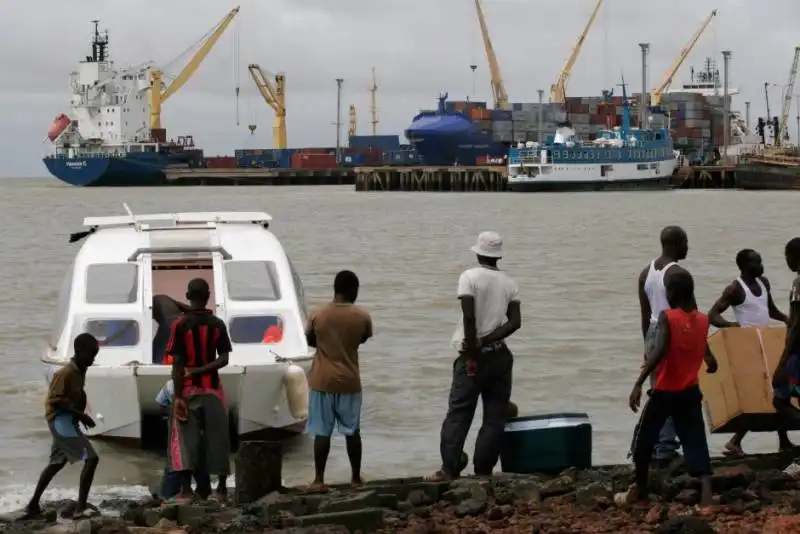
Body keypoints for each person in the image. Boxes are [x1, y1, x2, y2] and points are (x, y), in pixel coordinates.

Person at [430, 231, 522, 481]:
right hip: (500, 356)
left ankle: (449, 468)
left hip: (472, 356)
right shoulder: (509, 283)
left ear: (479, 253)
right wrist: (488, 340)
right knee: (494, 416)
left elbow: (469, 316)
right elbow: (515, 322)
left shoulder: (468, 277)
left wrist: (473, 349)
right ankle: (483, 471)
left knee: (459, 413)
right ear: (498, 256)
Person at [624, 270, 717, 506]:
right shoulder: (703, 319)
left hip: (665, 392)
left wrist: (639, 382)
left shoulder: (668, 317)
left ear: (672, 292)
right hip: (689, 392)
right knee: (695, 440)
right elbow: (704, 348)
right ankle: (707, 497)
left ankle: (642, 491)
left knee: (644, 441)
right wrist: (711, 361)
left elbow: (660, 350)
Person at [707, 248, 791, 456]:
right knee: (753, 396)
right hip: (746, 347)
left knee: (778, 390)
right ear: (744, 265)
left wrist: (787, 320)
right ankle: (735, 441)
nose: (761, 265)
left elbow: (769, 309)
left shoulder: (764, 283)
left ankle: (784, 441)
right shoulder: (735, 289)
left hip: (765, 342)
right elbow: (712, 315)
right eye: (756, 262)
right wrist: (732, 326)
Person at [165, 278, 232, 504]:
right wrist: (203, 369)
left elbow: (177, 364)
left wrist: (178, 396)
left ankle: (185, 490)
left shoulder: (179, 325)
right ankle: (221, 488)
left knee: (184, 439)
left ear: (187, 295)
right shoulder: (217, 324)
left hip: (188, 391)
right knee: (219, 438)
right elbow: (224, 358)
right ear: (208, 295)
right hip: (213, 388)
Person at [305, 270, 372, 491]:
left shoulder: (318, 315)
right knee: (352, 431)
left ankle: (318, 480)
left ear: (335, 289)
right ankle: (355, 478)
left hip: (322, 381)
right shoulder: (362, 316)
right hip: (350, 382)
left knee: (322, 432)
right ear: (353, 290)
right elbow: (362, 338)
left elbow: (310, 340)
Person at [23, 333, 100, 520]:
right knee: (91, 458)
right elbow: (56, 401)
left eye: (95, 355)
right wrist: (81, 415)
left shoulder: (81, 370)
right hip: (59, 419)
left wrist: (80, 416)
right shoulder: (65, 373)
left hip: (68, 419)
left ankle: (33, 504)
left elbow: (77, 395)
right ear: (79, 352)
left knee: (57, 462)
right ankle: (80, 509)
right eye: (91, 355)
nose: (93, 359)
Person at [633, 225, 690, 463]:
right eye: (685, 242)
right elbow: (690, 313)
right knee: (676, 389)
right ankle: (666, 446)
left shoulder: (646, 272)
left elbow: (645, 315)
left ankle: (656, 443)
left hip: (653, 332)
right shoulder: (677, 274)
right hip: (672, 331)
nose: (688, 247)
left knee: (660, 388)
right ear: (676, 242)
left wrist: (648, 348)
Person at [153, 380, 212, 502]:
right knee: (195, 460)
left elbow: (161, 405)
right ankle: (198, 491)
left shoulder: (171, 385)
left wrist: (171, 413)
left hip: (181, 429)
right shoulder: (201, 387)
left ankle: (178, 492)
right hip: (193, 429)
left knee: (179, 460)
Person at [771, 238, 800, 443]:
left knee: (780, 399)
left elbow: (797, 325)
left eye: (787, 257)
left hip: (797, 355)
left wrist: (782, 362)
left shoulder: (799, 283)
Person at [152, 294, 191, 364]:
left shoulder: (150, 301)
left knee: (158, 358)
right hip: (183, 319)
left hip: (170, 322)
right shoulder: (164, 298)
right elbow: (188, 307)